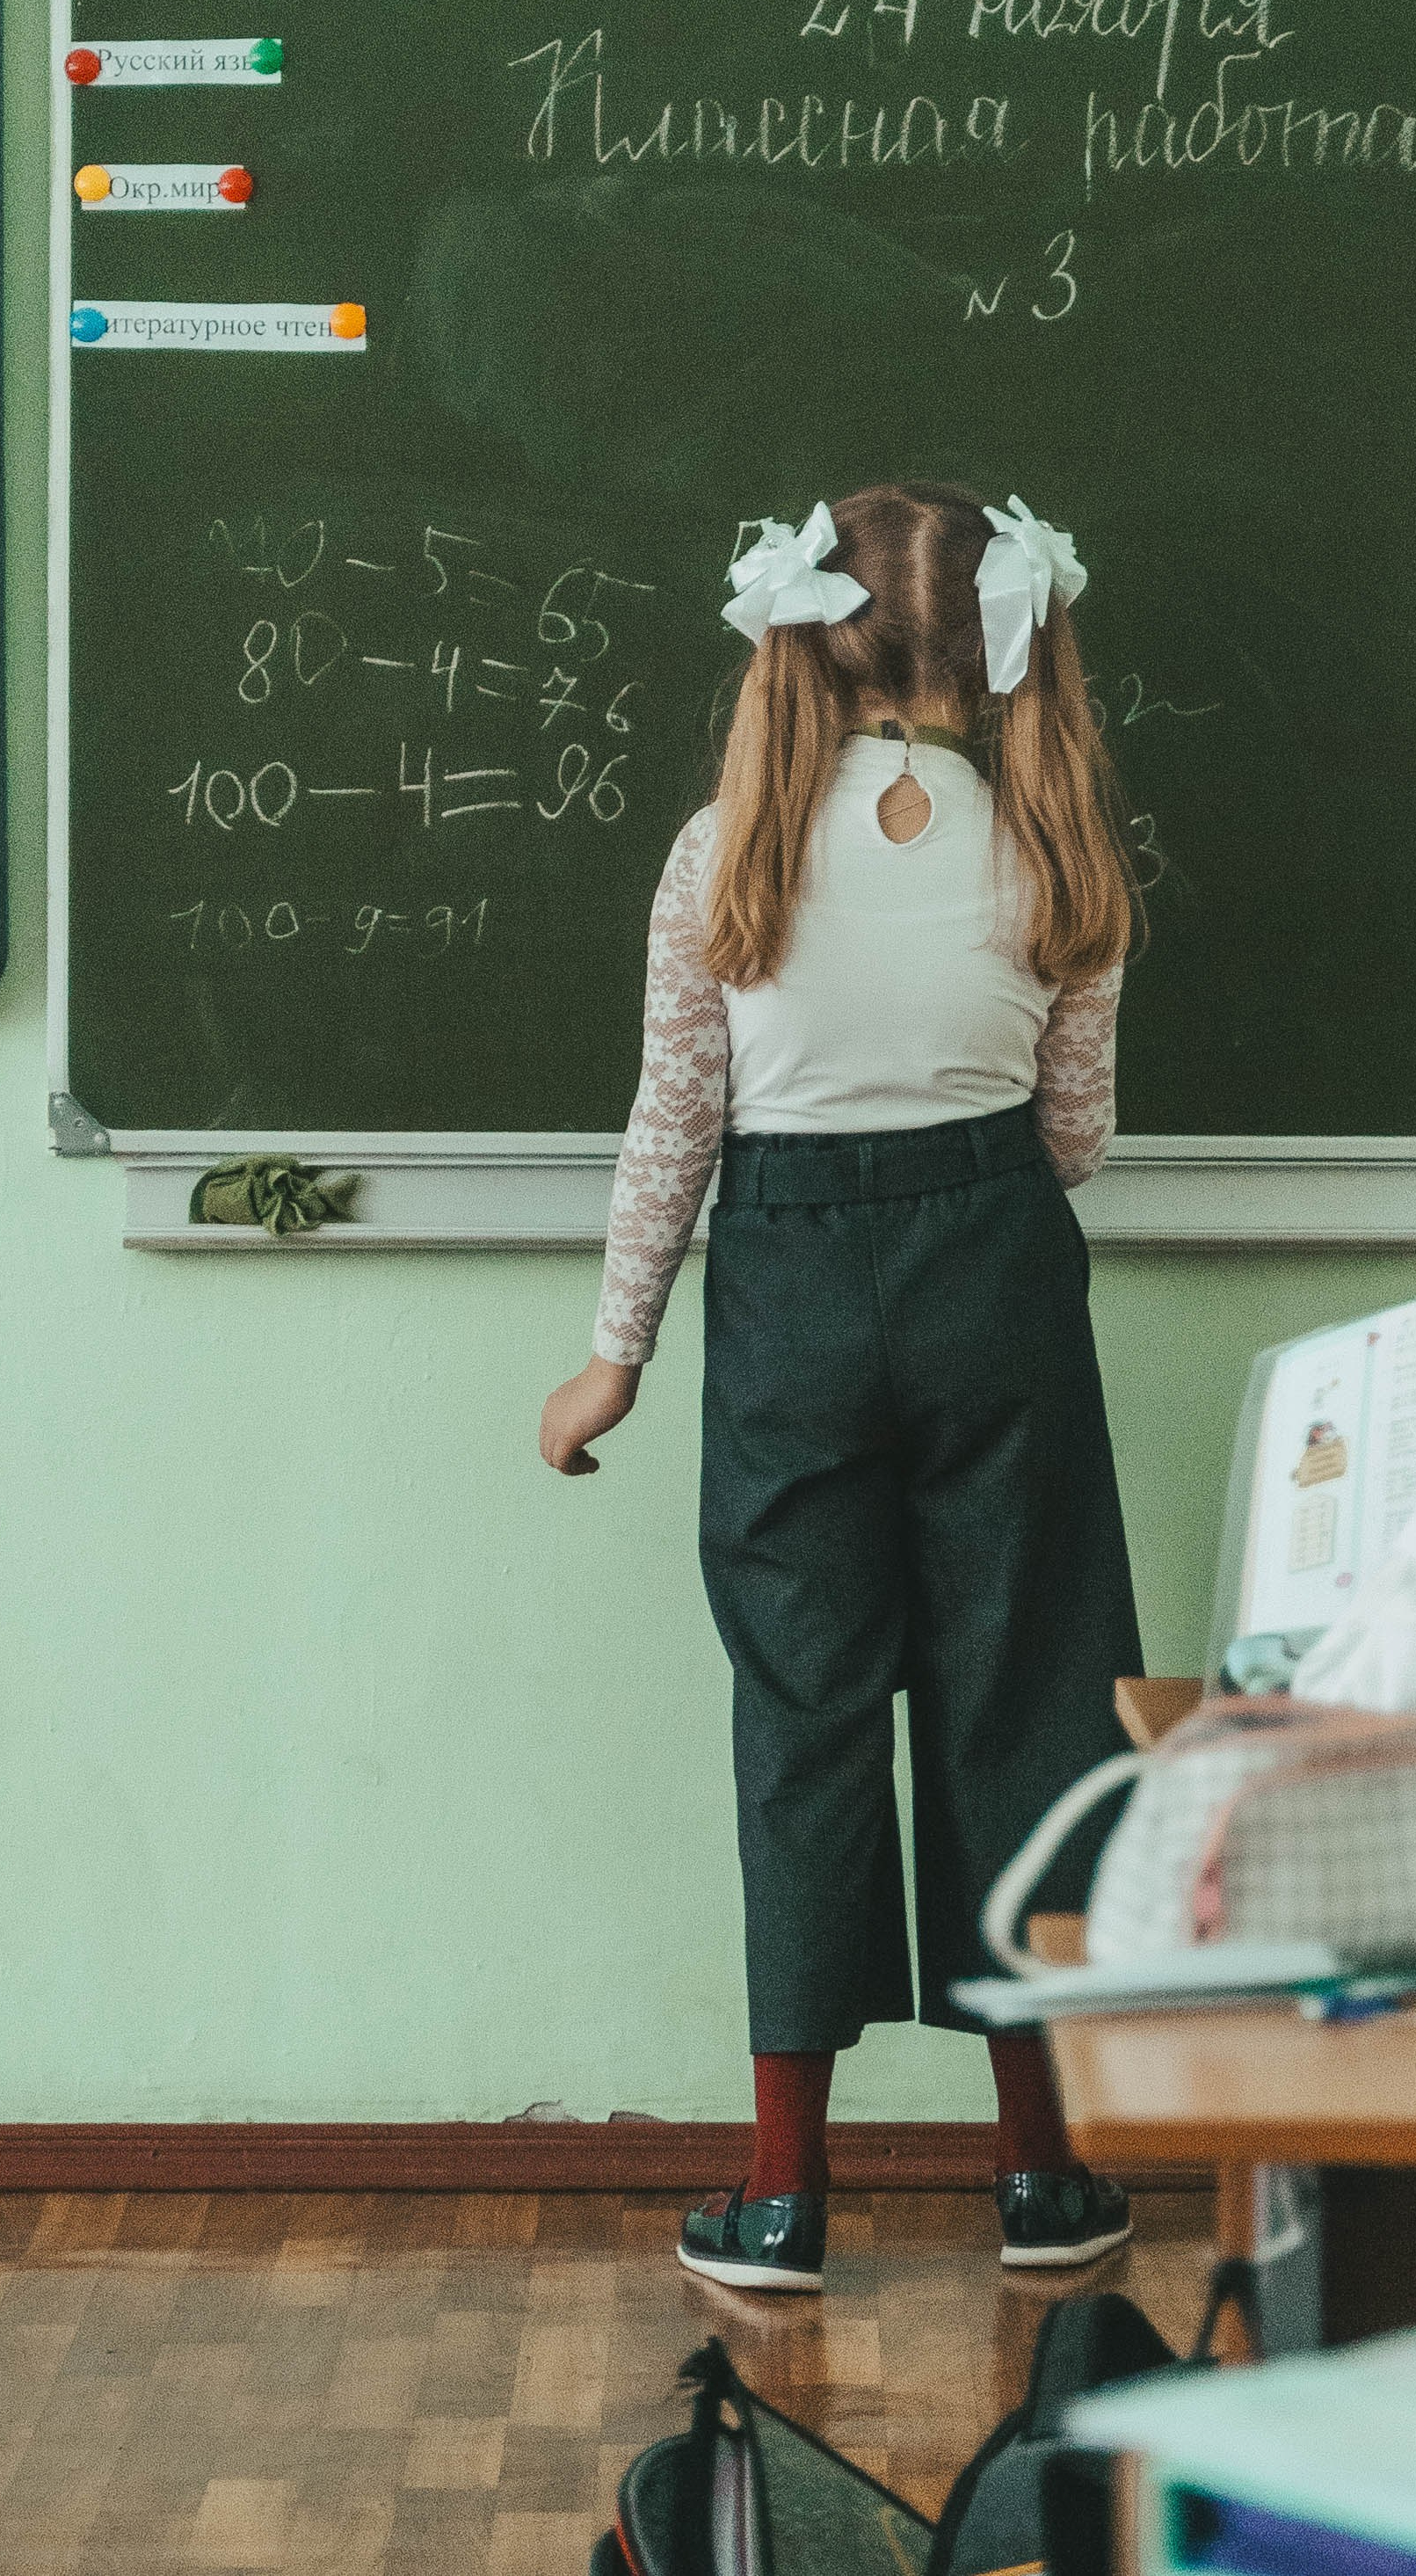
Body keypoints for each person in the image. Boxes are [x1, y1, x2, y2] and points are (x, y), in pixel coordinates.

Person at [538, 483, 1144, 2296]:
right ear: (1003, 644)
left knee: (802, 1717)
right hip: (996, 1274)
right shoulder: (1054, 844)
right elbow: (1076, 1137)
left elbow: (675, 1122)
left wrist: (614, 1355)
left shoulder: (725, 848)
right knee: (1024, 1703)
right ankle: (1041, 2176)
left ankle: (784, 2195)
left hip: (789, 1290)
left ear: (807, 639)